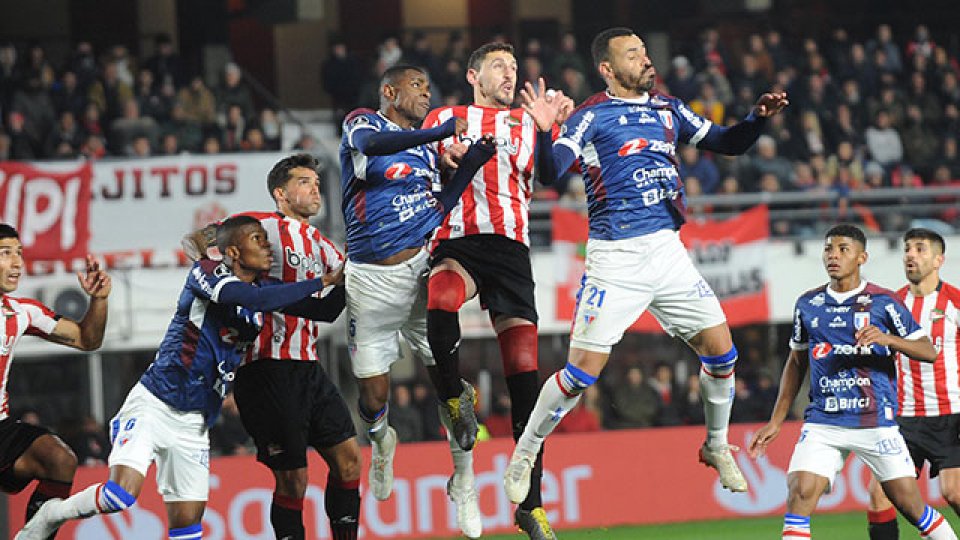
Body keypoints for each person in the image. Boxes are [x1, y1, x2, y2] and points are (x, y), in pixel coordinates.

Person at [503, 27, 788, 504]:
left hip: (668, 250)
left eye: (645, 52)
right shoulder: (591, 116)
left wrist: (756, 119)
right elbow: (551, 174)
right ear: (608, 69)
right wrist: (544, 126)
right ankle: (525, 452)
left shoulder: (668, 108)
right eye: (633, 55)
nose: (646, 60)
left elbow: (725, 141)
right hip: (616, 257)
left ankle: (716, 445)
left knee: (722, 352)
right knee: (580, 376)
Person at [16, 215, 344, 540]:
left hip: (194, 423)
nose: (267, 245)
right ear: (232, 251)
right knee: (120, 495)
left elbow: (325, 311)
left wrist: (351, 278)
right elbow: (252, 298)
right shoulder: (207, 273)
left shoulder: (266, 288)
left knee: (187, 527)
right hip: (155, 403)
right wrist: (324, 279)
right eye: (257, 239)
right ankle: (51, 514)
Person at [420, 41, 572, 540]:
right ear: (472, 74)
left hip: (511, 251)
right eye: (498, 67)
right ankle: (454, 395)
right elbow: (423, 171)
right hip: (458, 242)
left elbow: (550, 176)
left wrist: (549, 130)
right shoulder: (446, 116)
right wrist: (448, 159)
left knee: (525, 379)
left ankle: (530, 506)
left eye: (513, 66)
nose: (509, 74)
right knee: (439, 302)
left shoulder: (529, 122)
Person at [339, 63, 494, 536]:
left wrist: (467, 166)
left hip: (422, 274)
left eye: (428, 87)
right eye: (416, 86)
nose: (426, 94)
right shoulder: (363, 122)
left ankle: (464, 483)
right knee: (372, 394)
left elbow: (440, 206)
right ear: (390, 91)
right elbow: (370, 149)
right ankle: (381, 441)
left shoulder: (429, 151)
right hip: (370, 280)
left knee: (451, 389)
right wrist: (440, 133)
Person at [747, 224, 957, 540]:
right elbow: (796, 362)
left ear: (862, 257)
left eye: (843, 249)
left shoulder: (884, 302)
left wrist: (887, 339)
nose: (834, 255)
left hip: (877, 420)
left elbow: (928, 350)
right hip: (824, 422)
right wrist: (776, 420)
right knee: (800, 493)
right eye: (829, 248)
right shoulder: (808, 304)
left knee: (913, 505)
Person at [0, 224, 109, 538]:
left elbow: (87, 340)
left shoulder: (22, 312)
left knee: (59, 460)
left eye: (19, 253)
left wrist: (99, 301)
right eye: (5, 253)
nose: (17, 263)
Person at [865, 229, 960, 540]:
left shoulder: (955, 302)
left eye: (920, 249)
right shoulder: (892, 304)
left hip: (951, 414)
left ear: (938, 260)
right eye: (907, 249)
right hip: (903, 419)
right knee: (879, 496)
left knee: (954, 492)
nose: (910, 255)